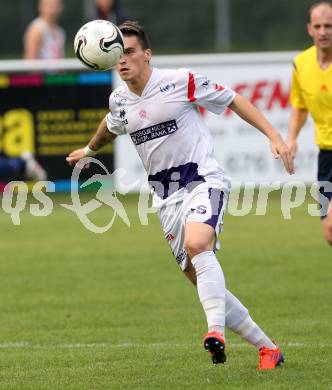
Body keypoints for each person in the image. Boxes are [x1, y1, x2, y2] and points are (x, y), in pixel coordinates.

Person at [66, 20, 294, 370]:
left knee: (198, 243)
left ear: (147, 54)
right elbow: (111, 126)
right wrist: (89, 149)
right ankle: (268, 348)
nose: (123, 60)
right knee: (198, 273)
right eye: (118, 54)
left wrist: (274, 137)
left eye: (129, 52)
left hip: (202, 179)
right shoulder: (120, 100)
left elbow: (234, 100)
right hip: (165, 198)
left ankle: (214, 331)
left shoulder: (179, 81)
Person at [288, 1, 332, 245]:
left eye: (329, 26)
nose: (324, 31)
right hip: (326, 156)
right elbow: (300, 106)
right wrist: (292, 138)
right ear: (310, 29)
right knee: (329, 231)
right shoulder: (301, 64)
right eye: (319, 26)